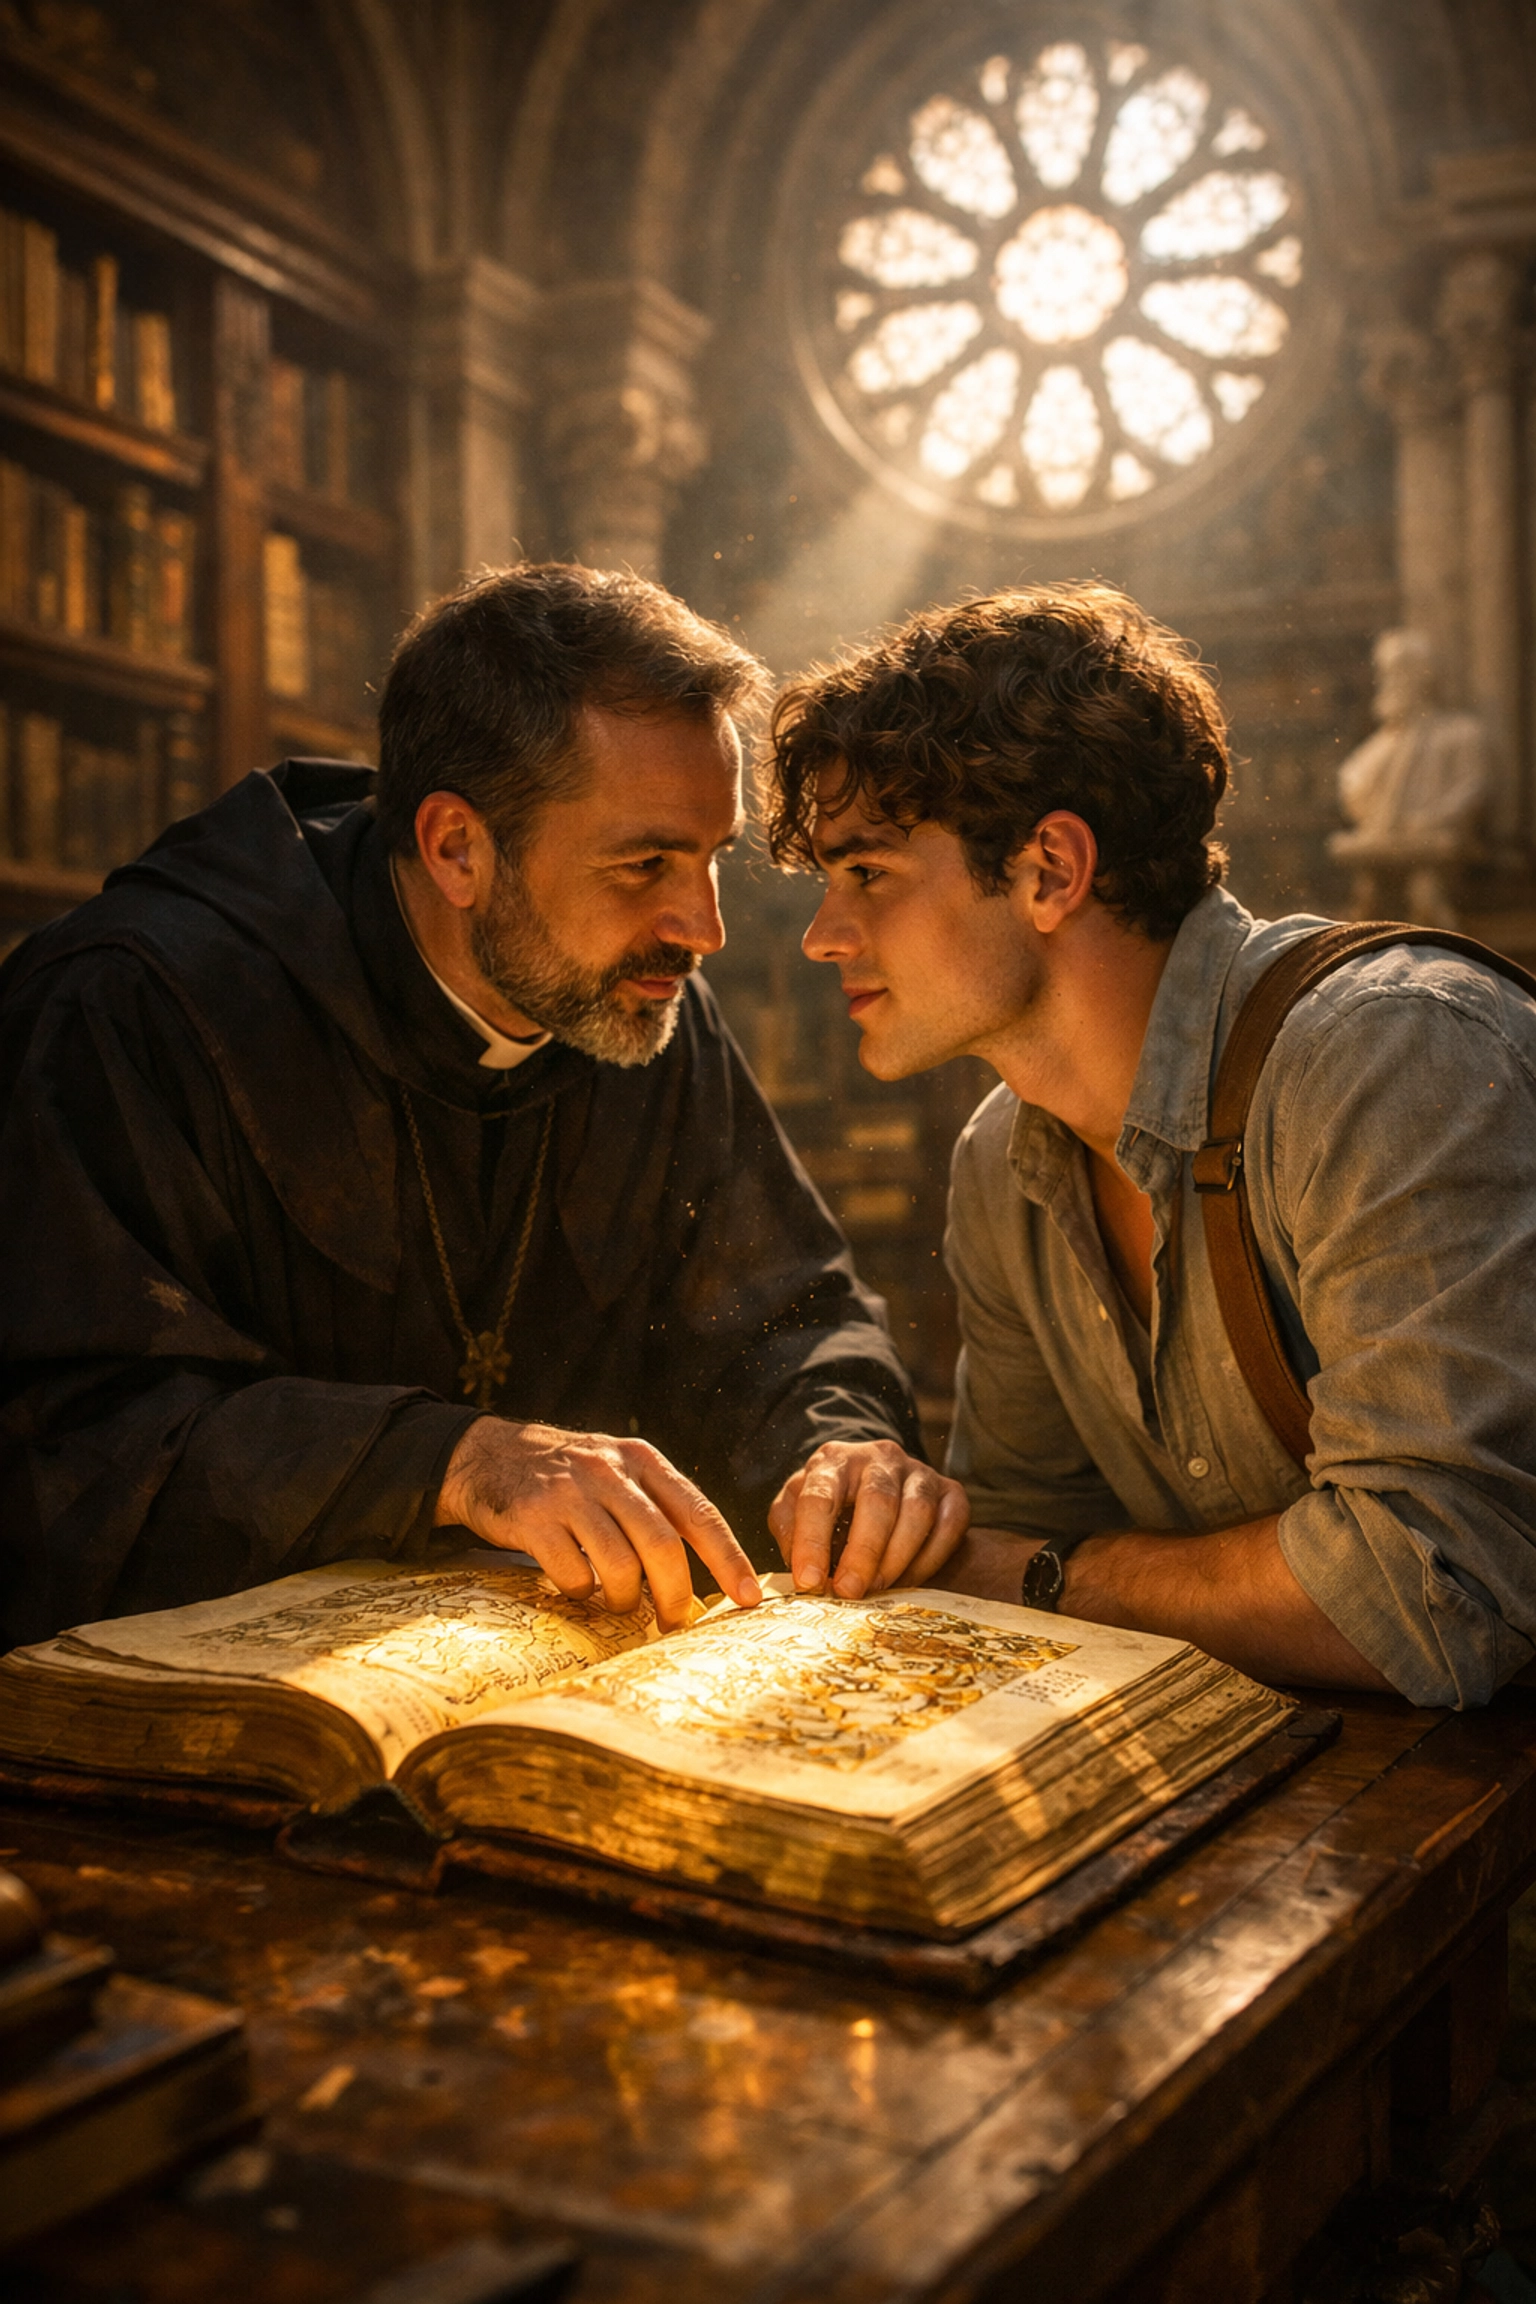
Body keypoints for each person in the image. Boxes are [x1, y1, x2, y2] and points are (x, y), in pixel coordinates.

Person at [0, 563, 965, 1649]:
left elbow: (785, 1315)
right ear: (457, 848)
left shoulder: (643, 1003)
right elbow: (65, 1445)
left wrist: (837, 1451)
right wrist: (453, 1462)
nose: (703, 928)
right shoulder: (135, 1007)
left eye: (710, 858)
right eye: (645, 863)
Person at [760, 581, 1536, 1708]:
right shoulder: (1002, 1165)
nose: (825, 939)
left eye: (867, 874)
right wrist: (939, 1523)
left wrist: (1037, 1575)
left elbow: (1435, 1592)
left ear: (1050, 872)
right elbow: (1026, 1523)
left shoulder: (1388, 1053)